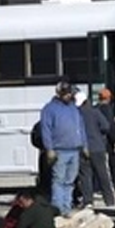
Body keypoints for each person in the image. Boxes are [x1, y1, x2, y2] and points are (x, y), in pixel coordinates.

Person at [39, 80, 87, 215]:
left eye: (69, 93)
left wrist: (85, 145)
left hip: (75, 150)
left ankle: (66, 207)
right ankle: (58, 208)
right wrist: (49, 149)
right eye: (65, 93)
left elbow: (81, 127)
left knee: (70, 181)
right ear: (59, 93)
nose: (68, 96)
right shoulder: (49, 109)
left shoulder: (74, 109)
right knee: (58, 180)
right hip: (59, 150)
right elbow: (46, 130)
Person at [78, 95, 115, 208]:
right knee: (102, 174)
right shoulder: (95, 112)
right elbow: (106, 126)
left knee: (85, 175)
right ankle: (109, 200)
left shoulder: (75, 114)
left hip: (81, 148)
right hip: (97, 147)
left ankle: (88, 200)